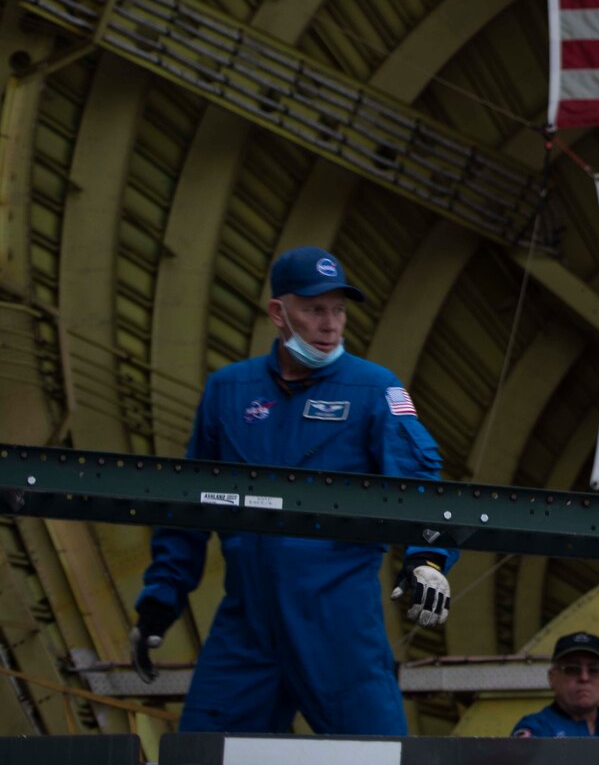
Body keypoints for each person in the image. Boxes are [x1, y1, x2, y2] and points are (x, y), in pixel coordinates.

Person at [126, 246, 456, 734]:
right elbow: (190, 503)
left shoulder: (378, 389)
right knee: (200, 752)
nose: (330, 325)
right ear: (278, 313)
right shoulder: (228, 391)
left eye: (339, 310)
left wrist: (427, 559)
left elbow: (421, 479)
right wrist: (160, 599)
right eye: (315, 309)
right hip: (246, 626)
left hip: (339, 625)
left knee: (379, 756)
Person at [511, 631, 599, 737]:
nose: (584, 677)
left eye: (594, 670)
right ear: (552, 677)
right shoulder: (535, 729)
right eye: (572, 669)